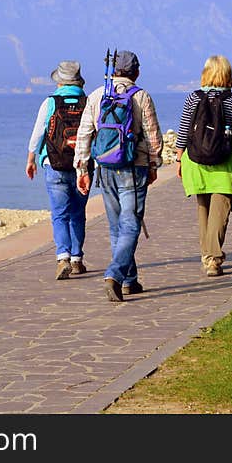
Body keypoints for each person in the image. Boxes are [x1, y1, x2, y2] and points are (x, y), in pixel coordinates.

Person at [74, 50, 163, 302]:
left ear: (113, 71)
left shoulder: (96, 95)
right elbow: (154, 137)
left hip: (105, 169)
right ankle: (114, 275)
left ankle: (129, 280)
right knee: (131, 224)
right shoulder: (141, 97)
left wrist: (82, 169)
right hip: (134, 168)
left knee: (116, 227)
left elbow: (84, 135)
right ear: (136, 71)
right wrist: (154, 165)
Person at [174, 55, 232, 277]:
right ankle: (213, 259)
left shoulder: (193, 98)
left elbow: (184, 130)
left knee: (204, 208)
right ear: (227, 75)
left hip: (196, 160)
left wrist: (179, 159)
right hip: (225, 160)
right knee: (221, 208)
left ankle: (207, 256)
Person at [26, 60, 90, 281]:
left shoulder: (50, 102)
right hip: (82, 166)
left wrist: (31, 158)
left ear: (59, 81)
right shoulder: (87, 101)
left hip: (54, 165)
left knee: (59, 213)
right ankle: (77, 259)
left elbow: (38, 132)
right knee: (78, 213)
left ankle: (62, 256)